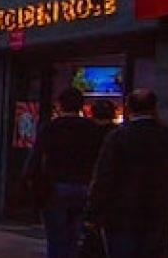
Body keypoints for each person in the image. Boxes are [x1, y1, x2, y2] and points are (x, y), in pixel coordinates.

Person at [85, 89, 168, 258]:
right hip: (158, 212)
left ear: (128, 108)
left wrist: (94, 212)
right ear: (154, 108)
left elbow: (104, 177)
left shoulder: (118, 137)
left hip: (121, 214)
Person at [22, 87, 106, 258]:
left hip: (55, 187)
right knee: (76, 236)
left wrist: (30, 181)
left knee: (56, 237)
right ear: (81, 106)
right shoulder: (92, 129)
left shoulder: (51, 128)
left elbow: (36, 157)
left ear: (60, 105)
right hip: (84, 186)